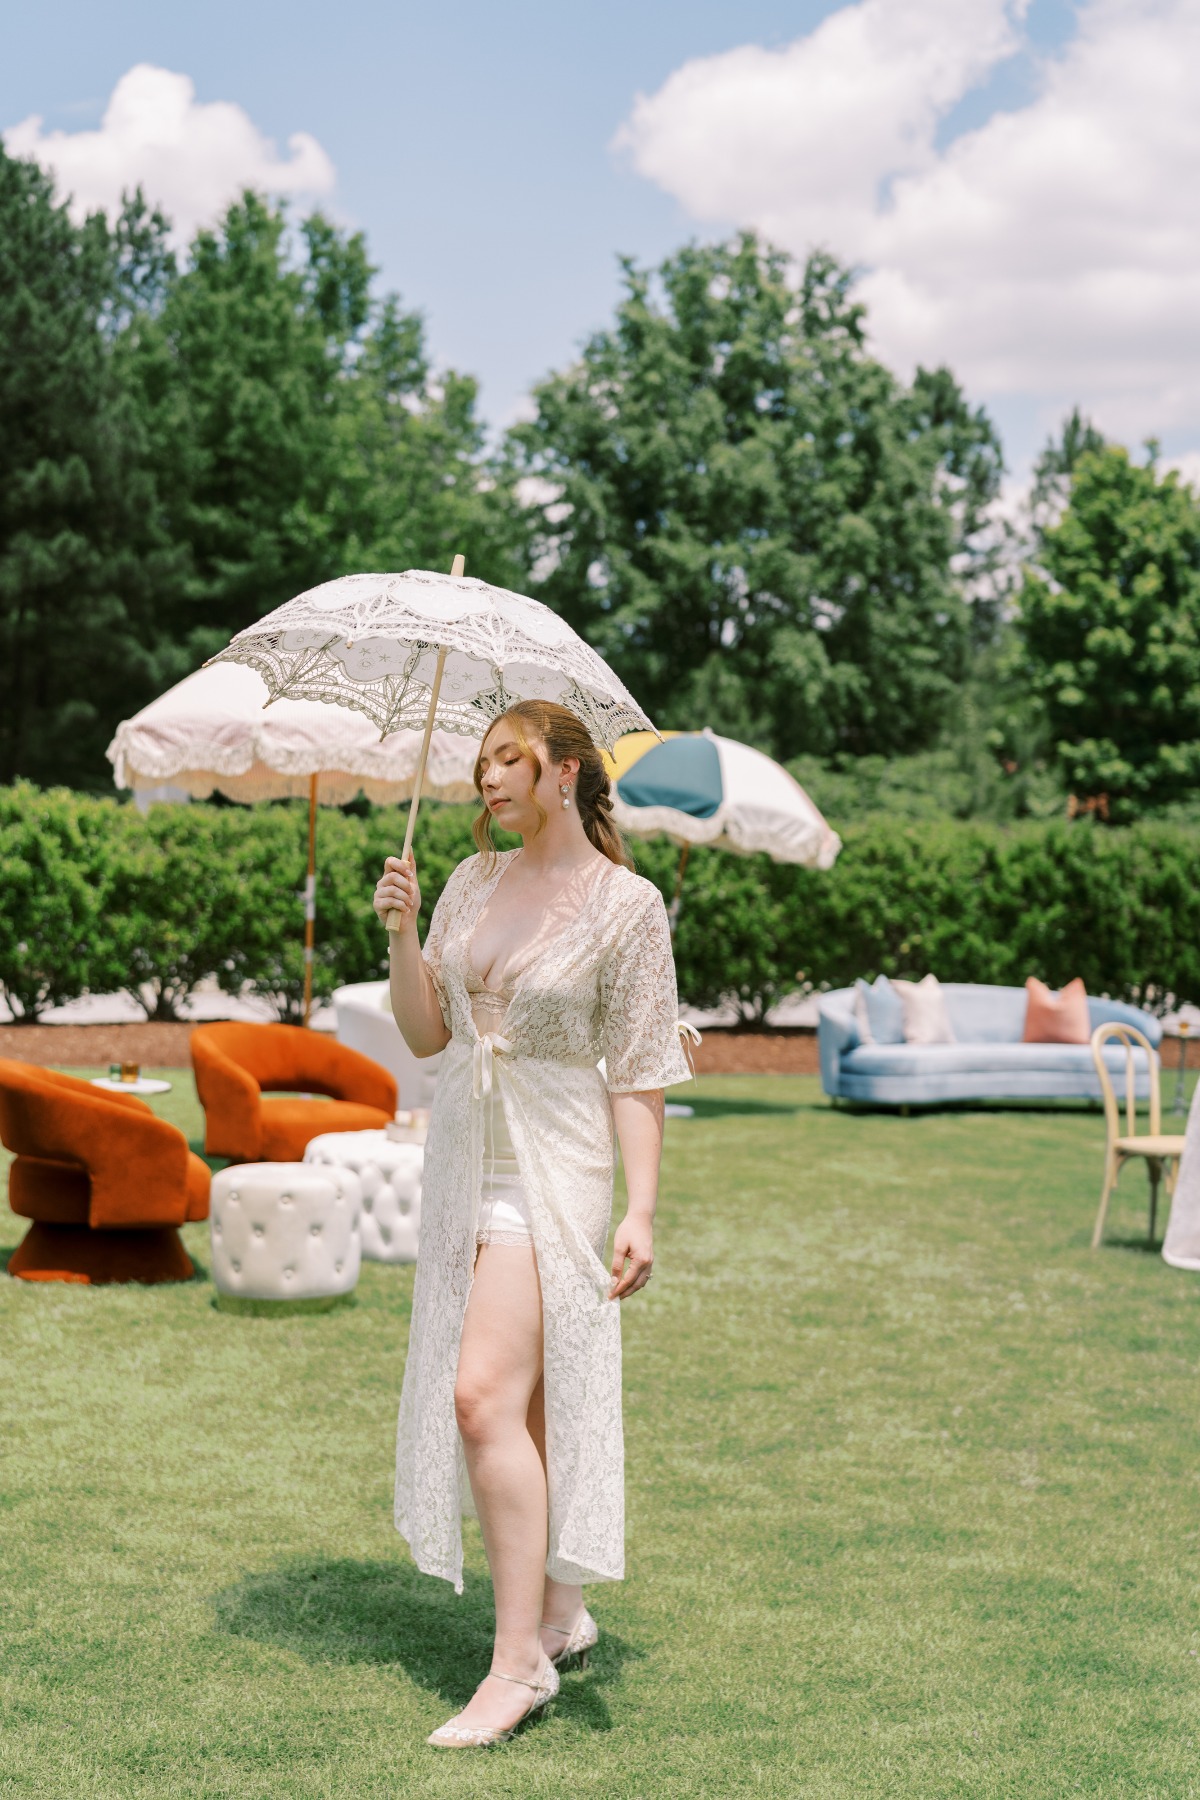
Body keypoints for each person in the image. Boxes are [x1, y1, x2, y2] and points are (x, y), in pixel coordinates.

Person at [373, 698, 692, 1749]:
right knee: (529, 1401)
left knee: (479, 1398)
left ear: (566, 771)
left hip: (554, 1169)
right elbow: (426, 1035)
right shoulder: (470, 881)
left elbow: (641, 1069)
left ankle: (517, 1666)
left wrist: (642, 1208)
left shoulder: (628, 905)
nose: (488, 781)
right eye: (477, 768)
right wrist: (403, 932)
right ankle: (561, 1613)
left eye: (507, 760)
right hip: (464, 1157)